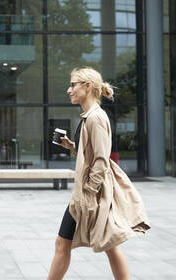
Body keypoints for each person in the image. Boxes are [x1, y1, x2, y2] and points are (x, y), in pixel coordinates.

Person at [47, 67, 150, 280]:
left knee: (64, 243)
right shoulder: (90, 116)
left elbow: (102, 161)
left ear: (87, 86)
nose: (69, 90)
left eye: (73, 84)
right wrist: (73, 146)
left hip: (91, 193)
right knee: (108, 244)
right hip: (89, 192)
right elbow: (93, 152)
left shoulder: (96, 117)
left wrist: (89, 192)